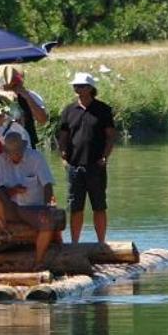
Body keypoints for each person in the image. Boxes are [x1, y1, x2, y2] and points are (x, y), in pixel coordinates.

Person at [0, 125, 66, 267]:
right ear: (6, 152)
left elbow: (47, 184)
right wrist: (12, 191)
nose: (16, 155)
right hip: (9, 206)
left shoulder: (36, 158)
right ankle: (4, 228)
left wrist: (46, 207)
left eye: (19, 152)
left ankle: (38, 262)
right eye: (13, 153)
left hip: (33, 207)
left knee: (48, 224)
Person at [53, 72, 118, 244]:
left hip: (96, 165)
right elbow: (63, 136)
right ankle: (75, 243)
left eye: (81, 86)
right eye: (75, 86)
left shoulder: (103, 110)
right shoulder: (69, 110)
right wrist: (63, 157)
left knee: (99, 206)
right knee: (75, 207)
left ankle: (101, 243)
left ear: (90, 88)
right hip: (74, 166)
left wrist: (105, 156)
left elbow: (111, 135)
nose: (77, 89)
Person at [0, 63, 50, 149]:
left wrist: (28, 98)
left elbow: (43, 120)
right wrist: (7, 99)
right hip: (1, 147)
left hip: (27, 146)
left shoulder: (30, 95)